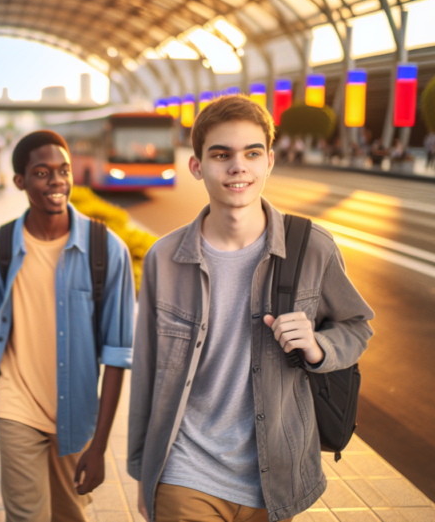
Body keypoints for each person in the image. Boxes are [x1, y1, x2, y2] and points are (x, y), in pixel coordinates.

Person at [127, 96, 374, 522]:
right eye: (221, 155)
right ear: (197, 166)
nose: (238, 167)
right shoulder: (164, 258)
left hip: (274, 476)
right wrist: (143, 472)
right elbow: (147, 369)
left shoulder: (312, 248)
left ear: (269, 162)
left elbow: (357, 327)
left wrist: (318, 347)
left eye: (252, 153)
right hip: (185, 471)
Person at [0, 131, 135, 521]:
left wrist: (99, 447)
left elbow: (117, 354)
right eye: (42, 172)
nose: (57, 180)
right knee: (27, 515)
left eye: (63, 170)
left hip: (75, 411)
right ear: (20, 181)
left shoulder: (106, 250)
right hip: (14, 404)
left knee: (69, 513)